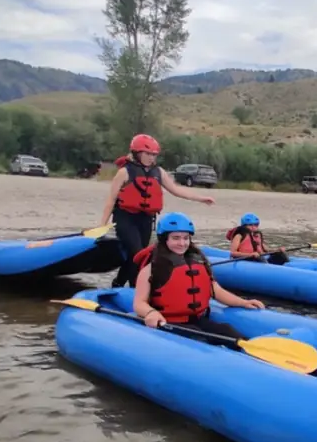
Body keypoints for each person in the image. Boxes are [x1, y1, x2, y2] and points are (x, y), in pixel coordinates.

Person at [98, 134, 216, 289]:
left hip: (145, 220)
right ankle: (136, 289)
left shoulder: (158, 172)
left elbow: (176, 190)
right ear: (136, 153)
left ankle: (117, 284)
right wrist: (101, 226)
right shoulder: (124, 172)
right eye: (147, 154)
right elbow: (111, 200)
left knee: (138, 255)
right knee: (138, 254)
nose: (151, 158)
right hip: (125, 219)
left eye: (153, 155)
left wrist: (201, 198)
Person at [132, 212, 264, 342]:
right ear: (164, 239)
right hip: (168, 323)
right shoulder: (151, 269)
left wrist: (244, 302)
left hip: (199, 320)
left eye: (185, 238)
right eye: (176, 238)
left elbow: (216, 290)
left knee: (230, 333)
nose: (182, 243)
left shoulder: (199, 262)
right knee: (199, 338)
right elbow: (139, 303)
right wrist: (150, 313)